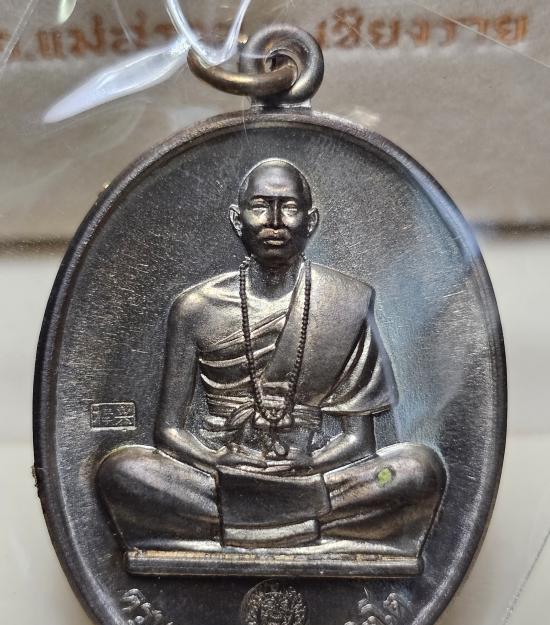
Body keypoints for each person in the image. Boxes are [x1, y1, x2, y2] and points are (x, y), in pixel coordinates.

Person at [97, 159, 444, 552]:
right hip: (220, 477)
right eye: (260, 206)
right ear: (237, 219)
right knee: (123, 471)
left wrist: (309, 464)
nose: (275, 221)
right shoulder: (195, 307)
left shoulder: (345, 303)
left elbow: (358, 441)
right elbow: (169, 431)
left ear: (311, 221)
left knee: (417, 470)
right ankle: (308, 524)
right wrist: (218, 460)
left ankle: (231, 523)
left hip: (312, 476)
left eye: (289, 207)